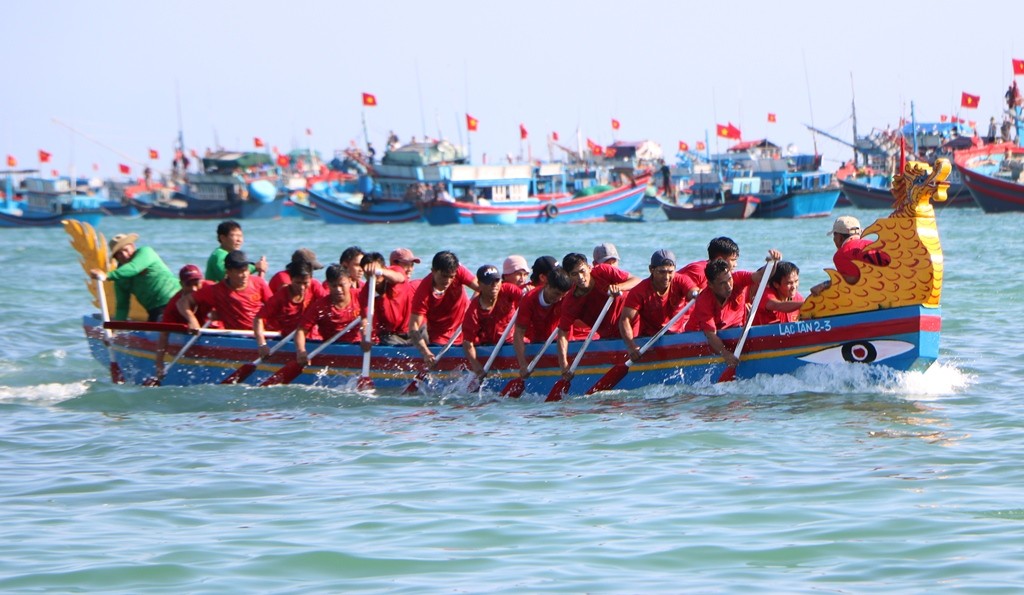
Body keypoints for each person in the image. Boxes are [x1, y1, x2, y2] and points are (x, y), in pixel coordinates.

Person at [684, 250, 782, 367]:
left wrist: (773, 262)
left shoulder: (738, 278)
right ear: (710, 285)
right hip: (699, 337)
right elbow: (711, 335)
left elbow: (761, 276)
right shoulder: (704, 300)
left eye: (729, 279)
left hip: (735, 333)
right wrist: (726, 354)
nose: (729, 286)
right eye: (722, 284)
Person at [555, 252, 640, 379]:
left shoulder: (603, 270)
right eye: (574, 274)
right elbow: (563, 334)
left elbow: (636, 280)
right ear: (568, 276)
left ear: (589, 268)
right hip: (610, 335)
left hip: (632, 320)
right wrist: (564, 366)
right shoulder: (570, 302)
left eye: (582, 271)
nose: (580, 277)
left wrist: (619, 287)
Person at [618, 249, 693, 363]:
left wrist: (695, 294)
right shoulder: (640, 291)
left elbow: (692, 291)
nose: (667, 277)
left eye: (670, 272)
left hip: (678, 337)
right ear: (651, 270)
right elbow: (625, 320)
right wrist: (631, 346)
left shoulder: (681, 280)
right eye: (662, 272)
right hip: (651, 340)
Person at [409, 250, 480, 366]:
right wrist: (426, 353)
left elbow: (482, 289)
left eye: (451, 277)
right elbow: (413, 327)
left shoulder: (459, 271)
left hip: (465, 329)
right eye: (444, 276)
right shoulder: (423, 292)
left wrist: (474, 307)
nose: (447, 281)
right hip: (440, 338)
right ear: (433, 271)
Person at [89, 232, 180, 322]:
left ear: (132, 246)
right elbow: (122, 306)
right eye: (119, 254)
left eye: (126, 250)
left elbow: (134, 268)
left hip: (178, 299)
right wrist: (118, 328)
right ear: (116, 258)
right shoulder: (120, 277)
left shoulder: (146, 252)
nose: (124, 255)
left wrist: (107, 276)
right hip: (155, 311)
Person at [181, 250, 272, 330]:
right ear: (228, 272)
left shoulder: (259, 283)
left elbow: (276, 306)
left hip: (263, 333)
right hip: (238, 337)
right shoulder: (216, 291)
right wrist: (192, 320)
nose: (244, 275)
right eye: (239, 272)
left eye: (246, 270)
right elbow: (183, 302)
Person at [253, 260, 327, 359]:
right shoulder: (281, 296)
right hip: (289, 341)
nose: (302, 287)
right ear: (291, 280)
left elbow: (330, 302)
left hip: (313, 340)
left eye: (305, 283)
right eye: (298, 283)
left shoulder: (315, 286)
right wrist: (262, 344)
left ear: (311, 279)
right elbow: (258, 318)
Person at [462, 265, 525, 377]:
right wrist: (476, 366)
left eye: (497, 281)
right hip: (489, 346)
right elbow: (467, 343)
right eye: (489, 282)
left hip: (511, 342)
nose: (494, 286)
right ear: (480, 284)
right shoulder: (474, 310)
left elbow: (527, 302)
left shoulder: (508, 289)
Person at [154, 264, 216, 377]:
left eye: (196, 283)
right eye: (188, 284)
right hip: (188, 335)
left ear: (202, 281)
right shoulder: (173, 306)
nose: (194, 289)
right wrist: (159, 364)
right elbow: (164, 335)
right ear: (181, 285)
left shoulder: (211, 288)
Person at [294, 264, 363, 365]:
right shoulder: (320, 306)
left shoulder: (362, 296)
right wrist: (301, 351)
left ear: (350, 281)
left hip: (358, 347)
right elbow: (300, 331)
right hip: (332, 349)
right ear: (328, 285)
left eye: (341, 285)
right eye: (334, 286)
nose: (338, 290)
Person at [512, 266, 572, 380]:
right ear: (546, 285)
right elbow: (519, 333)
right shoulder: (529, 299)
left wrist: (564, 363)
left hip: (562, 340)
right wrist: (523, 364)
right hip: (537, 342)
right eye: (556, 293)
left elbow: (564, 330)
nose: (559, 299)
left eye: (562, 295)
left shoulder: (565, 299)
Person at [809, 216, 890, 296]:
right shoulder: (875, 245)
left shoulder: (842, 254)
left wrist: (824, 285)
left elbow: (852, 279)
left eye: (834, 236)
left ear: (839, 237)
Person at [359, 251, 416, 345]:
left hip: (414, 328)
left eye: (375, 272)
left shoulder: (396, 270)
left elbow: (399, 278)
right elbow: (365, 318)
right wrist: (365, 338)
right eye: (368, 274)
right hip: (391, 335)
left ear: (384, 268)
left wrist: (379, 271)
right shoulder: (366, 292)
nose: (373, 276)